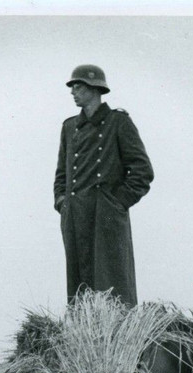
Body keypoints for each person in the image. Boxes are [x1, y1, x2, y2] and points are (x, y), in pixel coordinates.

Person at [54, 65, 153, 306]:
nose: (73, 92)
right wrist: (62, 203)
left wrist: (116, 203)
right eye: (72, 87)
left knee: (112, 283)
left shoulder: (118, 122)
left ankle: (118, 338)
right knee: (79, 286)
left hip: (106, 217)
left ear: (95, 88)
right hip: (76, 216)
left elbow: (142, 171)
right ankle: (83, 337)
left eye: (78, 87)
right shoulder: (69, 127)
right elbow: (61, 176)